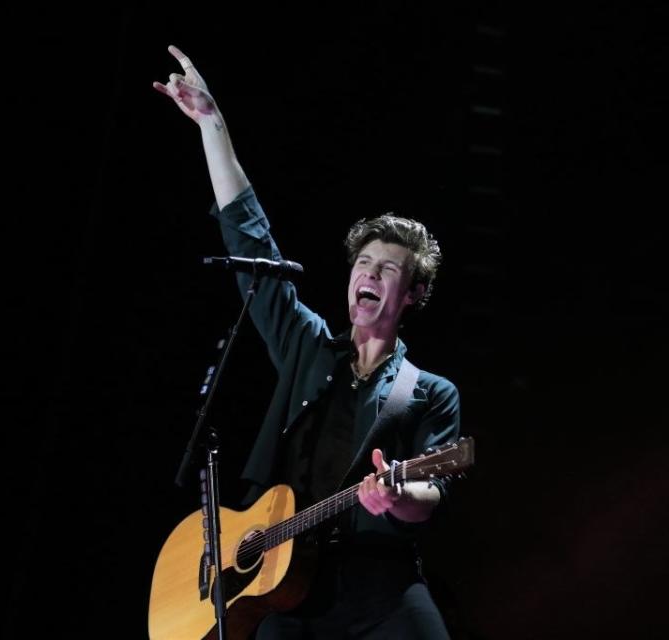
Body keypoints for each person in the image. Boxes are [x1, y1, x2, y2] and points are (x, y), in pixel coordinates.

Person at [154, 45, 461, 640]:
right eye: (362, 262)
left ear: (415, 293)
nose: (367, 274)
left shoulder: (429, 392)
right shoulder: (308, 346)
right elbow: (253, 245)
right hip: (282, 588)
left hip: (380, 589)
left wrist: (396, 497)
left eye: (387, 269)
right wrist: (212, 127)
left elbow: (433, 491)